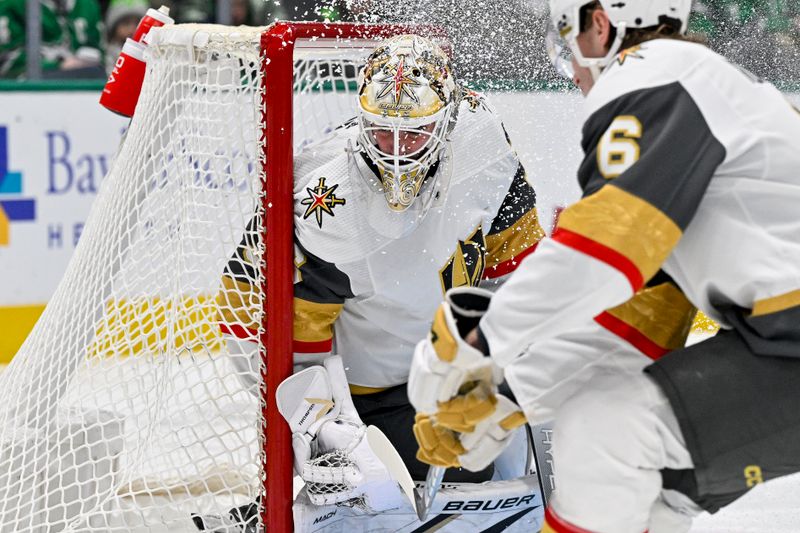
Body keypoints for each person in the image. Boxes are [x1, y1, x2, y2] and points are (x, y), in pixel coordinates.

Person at [407, 0, 800, 532]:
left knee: (604, 428)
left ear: (601, 23)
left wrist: (478, 340)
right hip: (778, 347)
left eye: (567, 33)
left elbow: (600, 256)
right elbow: (643, 316)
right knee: (653, 489)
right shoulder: (701, 90)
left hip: (783, 346)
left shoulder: (657, 76)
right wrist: (508, 395)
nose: (571, 66)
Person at [208, 33, 545, 529]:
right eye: (382, 133)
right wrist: (322, 422)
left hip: (459, 365)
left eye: (414, 135)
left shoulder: (484, 141)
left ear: (447, 121)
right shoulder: (325, 199)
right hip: (372, 391)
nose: (396, 153)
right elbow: (245, 308)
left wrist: (509, 359)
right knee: (443, 505)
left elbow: (516, 261)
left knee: (526, 469)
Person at [0, 0, 105, 79]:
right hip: (28, 90)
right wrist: (58, 64)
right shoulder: (11, 5)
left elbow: (100, 53)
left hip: (85, 83)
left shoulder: (87, 6)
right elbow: (5, 59)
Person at [103, 0, 148, 74]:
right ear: (114, 27)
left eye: (137, 23)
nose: (132, 29)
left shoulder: (149, 52)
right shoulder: (107, 53)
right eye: (126, 23)